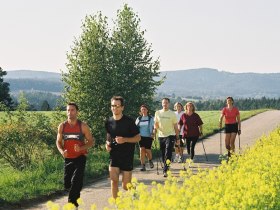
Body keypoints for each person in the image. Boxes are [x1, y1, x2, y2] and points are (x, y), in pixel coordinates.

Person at [56, 102, 95, 207]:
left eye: (72, 110)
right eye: (68, 110)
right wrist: (61, 151)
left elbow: (91, 142)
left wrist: (81, 148)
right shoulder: (62, 126)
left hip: (80, 157)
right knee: (67, 184)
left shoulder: (83, 126)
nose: (70, 112)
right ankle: (76, 191)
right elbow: (58, 142)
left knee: (76, 180)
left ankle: (72, 204)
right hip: (68, 158)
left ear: (77, 112)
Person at [105, 96, 141, 199]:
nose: (114, 108)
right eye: (112, 106)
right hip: (114, 155)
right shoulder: (108, 122)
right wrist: (107, 144)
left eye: (117, 106)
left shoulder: (129, 121)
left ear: (122, 108)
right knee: (114, 181)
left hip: (127, 156)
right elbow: (108, 137)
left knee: (126, 186)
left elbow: (138, 137)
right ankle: (117, 204)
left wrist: (124, 140)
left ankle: (135, 193)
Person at [154, 98, 180, 177]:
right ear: (162, 104)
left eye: (166, 103)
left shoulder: (172, 114)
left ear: (169, 104)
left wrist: (177, 137)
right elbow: (156, 124)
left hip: (170, 135)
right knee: (163, 153)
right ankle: (166, 165)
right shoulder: (158, 113)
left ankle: (166, 169)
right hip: (161, 135)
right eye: (163, 103)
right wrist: (154, 132)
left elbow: (175, 126)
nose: (165, 104)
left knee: (168, 151)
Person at [135, 104, 155, 171]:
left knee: (148, 150)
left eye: (144, 109)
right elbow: (135, 127)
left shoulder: (150, 118)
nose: (143, 110)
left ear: (147, 110)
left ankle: (150, 160)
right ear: (140, 110)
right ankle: (143, 165)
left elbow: (153, 127)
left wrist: (153, 133)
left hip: (149, 136)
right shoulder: (139, 118)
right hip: (140, 137)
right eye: (142, 109)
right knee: (142, 150)